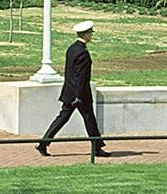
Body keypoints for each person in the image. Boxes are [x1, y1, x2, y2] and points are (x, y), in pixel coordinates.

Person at [36, 21, 111, 158]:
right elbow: (80, 76)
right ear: (85, 34)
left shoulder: (72, 49)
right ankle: (97, 147)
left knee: (65, 118)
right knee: (88, 119)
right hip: (79, 93)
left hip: (70, 91)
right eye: (90, 33)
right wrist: (79, 96)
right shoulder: (82, 52)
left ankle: (44, 142)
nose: (91, 35)